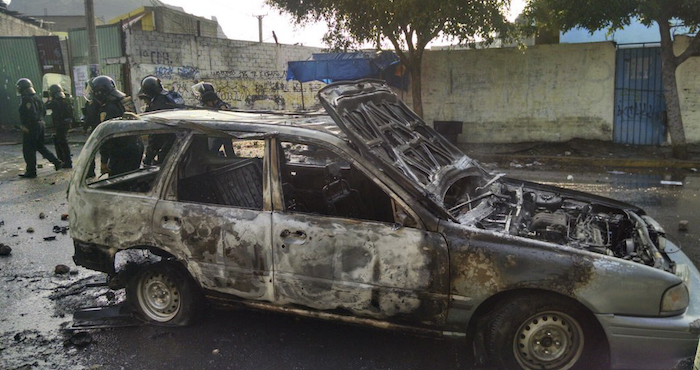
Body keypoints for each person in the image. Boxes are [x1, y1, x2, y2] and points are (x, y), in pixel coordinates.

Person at [85, 75, 142, 177]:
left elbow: (106, 137)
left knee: (117, 183)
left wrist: (104, 161)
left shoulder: (108, 109)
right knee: (132, 179)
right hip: (136, 145)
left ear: (100, 93)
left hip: (121, 151)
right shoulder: (124, 101)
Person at [16, 78, 62, 178]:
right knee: (40, 146)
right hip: (41, 124)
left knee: (29, 149)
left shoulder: (26, 99)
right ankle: (56, 162)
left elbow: (31, 114)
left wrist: (27, 126)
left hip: (32, 126)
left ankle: (31, 171)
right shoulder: (36, 97)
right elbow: (44, 111)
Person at [139, 76, 183, 165]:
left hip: (170, 141)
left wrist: (148, 158)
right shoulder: (168, 96)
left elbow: (156, 136)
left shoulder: (158, 104)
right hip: (182, 138)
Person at [191, 82, 234, 156]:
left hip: (220, 130)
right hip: (213, 130)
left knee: (220, 149)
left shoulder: (220, 106)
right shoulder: (209, 103)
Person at [45, 84, 74, 168]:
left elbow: (45, 106)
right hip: (66, 123)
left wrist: (48, 99)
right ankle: (63, 160)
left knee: (62, 142)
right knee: (59, 140)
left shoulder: (54, 102)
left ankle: (66, 162)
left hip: (60, 124)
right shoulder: (66, 100)